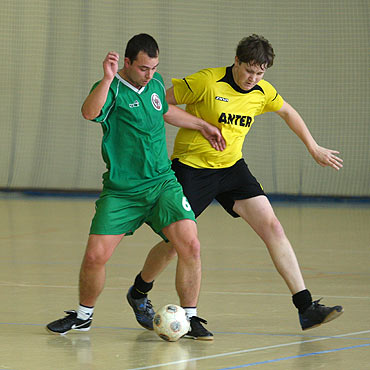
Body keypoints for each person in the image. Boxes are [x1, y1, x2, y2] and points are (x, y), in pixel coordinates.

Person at [128, 34, 344, 335]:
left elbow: (287, 111)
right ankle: (139, 292)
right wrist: (196, 127)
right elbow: (158, 104)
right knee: (174, 245)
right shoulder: (206, 82)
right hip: (192, 170)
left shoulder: (262, 92)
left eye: (260, 73)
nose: (252, 79)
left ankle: (305, 307)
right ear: (236, 61)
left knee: (273, 227)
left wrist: (313, 146)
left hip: (231, 169)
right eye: (248, 71)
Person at [46, 33, 226, 340]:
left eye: (154, 67)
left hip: (161, 184)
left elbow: (164, 111)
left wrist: (202, 125)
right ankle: (83, 316)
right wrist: (106, 78)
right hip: (122, 191)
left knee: (190, 244)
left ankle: (191, 317)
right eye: (144, 68)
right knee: (95, 257)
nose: (150, 74)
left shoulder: (155, 86)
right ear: (127, 63)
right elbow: (89, 112)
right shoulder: (112, 89)